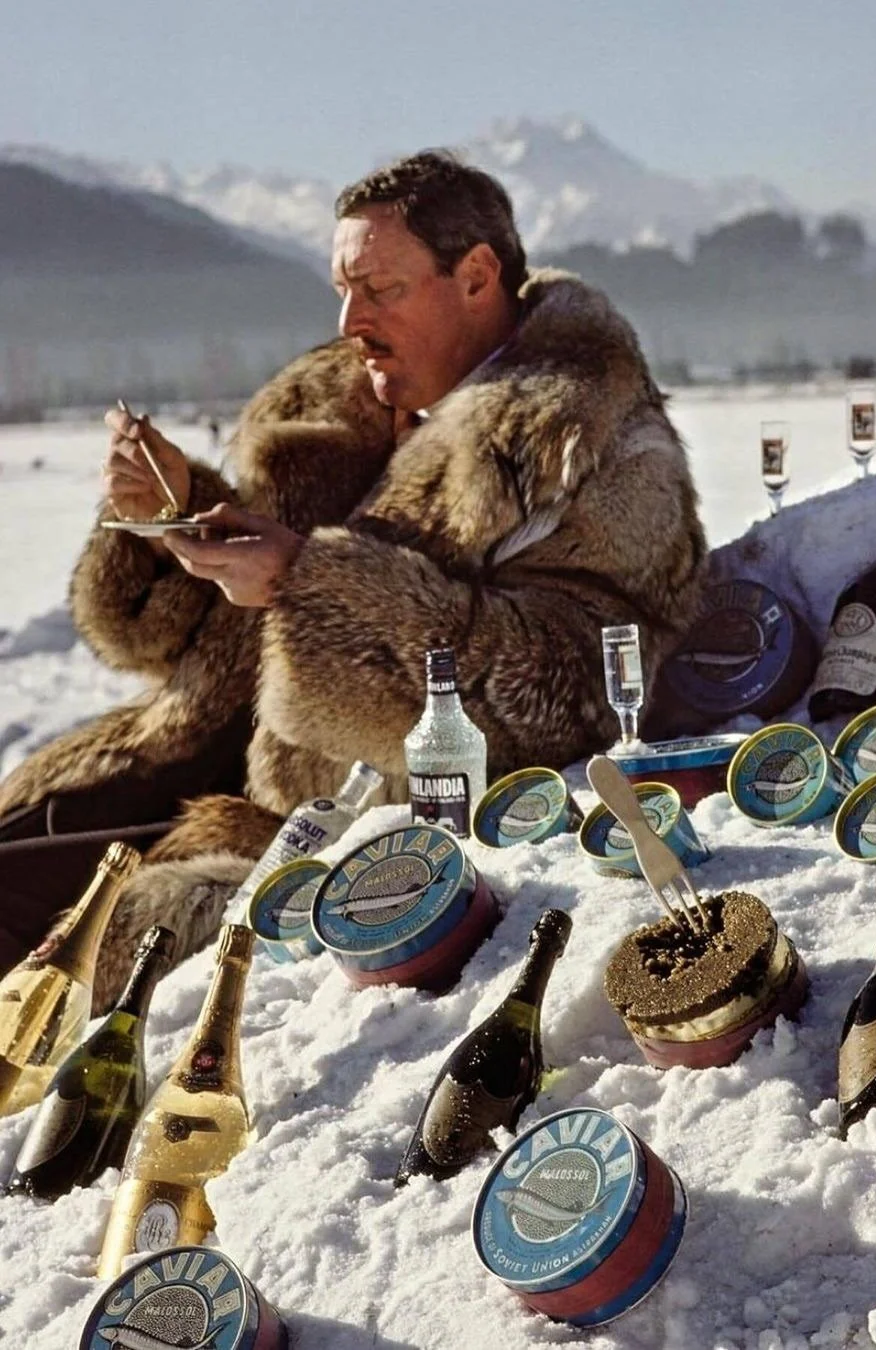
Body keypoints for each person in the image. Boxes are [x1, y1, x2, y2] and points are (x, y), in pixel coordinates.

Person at [0, 151, 707, 1008]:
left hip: (334, 823)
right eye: (342, 288)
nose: (350, 321)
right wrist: (180, 513)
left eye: (380, 290)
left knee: (62, 972)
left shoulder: (596, 446)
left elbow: (572, 691)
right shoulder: (340, 406)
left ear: (477, 275)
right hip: (192, 750)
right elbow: (163, 638)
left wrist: (309, 584)